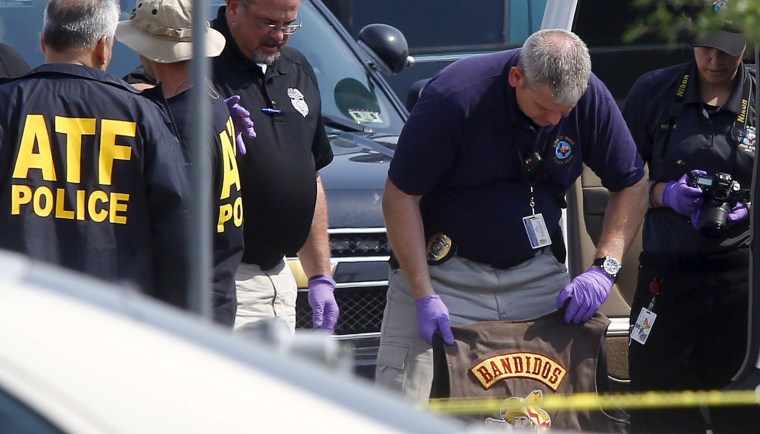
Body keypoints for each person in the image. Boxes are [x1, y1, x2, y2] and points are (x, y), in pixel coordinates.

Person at [376, 28, 648, 403]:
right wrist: (424, 294)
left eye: (564, 112)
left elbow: (632, 184)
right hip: (443, 275)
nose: (554, 121)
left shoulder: (588, 96)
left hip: (534, 274)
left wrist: (605, 269)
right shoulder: (455, 97)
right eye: (545, 109)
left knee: (546, 412)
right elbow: (399, 197)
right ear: (516, 77)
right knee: (406, 402)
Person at [0, 0, 192, 307]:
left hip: (19, 315)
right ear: (104, 47)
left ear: (43, 41)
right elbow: (177, 224)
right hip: (113, 315)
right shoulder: (140, 114)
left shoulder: (7, 105)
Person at [622, 24, 755, 434]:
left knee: (738, 404)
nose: (715, 60)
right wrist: (664, 194)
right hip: (667, 272)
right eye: (707, 48)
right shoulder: (655, 91)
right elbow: (620, 184)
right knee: (656, 401)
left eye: (727, 51)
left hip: (739, 278)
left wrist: (748, 207)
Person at [115, 0, 254, 327]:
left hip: (187, 311)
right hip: (215, 293)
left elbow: (182, 236)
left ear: (151, 52)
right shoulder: (211, 102)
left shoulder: (181, 123)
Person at [209, 0, 338, 332]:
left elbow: (310, 174)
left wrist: (321, 275)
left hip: (281, 280)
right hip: (224, 282)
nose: (279, 36)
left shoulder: (295, 67)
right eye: (268, 24)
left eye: (289, 25)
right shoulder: (199, 61)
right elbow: (138, 90)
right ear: (235, 8)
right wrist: (202, 115)